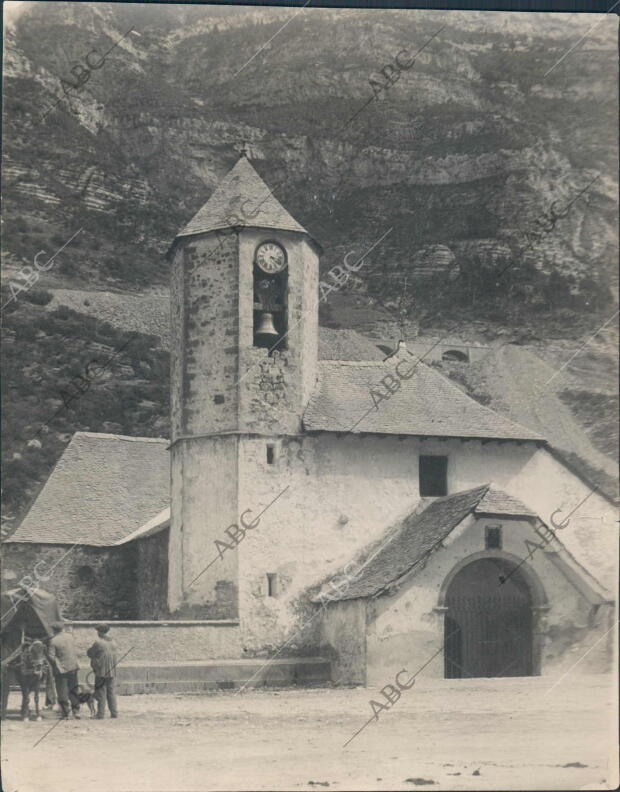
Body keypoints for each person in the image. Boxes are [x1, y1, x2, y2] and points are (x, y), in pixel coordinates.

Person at [47, 621, 80, 719]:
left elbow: (51, 656)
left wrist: (56, 665)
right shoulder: (71, 637)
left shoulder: (53, 641)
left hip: (61, 670)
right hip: (74, 667)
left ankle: (66, 713)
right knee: (73, 689)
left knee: (62, 691)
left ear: (54, 630)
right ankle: (76, 711)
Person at [87, 624, 118, 719]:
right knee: (111, 692)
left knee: (101, 693)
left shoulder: (98, 643)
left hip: (101, 671)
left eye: (98, 631)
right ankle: (114, 713)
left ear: (100, 632)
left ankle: (100, 714)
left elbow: (90, 653)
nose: (97, 633)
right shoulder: (113, 642)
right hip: (112, 671)